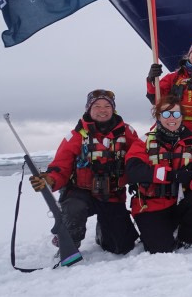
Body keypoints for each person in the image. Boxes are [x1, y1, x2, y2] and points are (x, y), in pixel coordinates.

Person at [29, 90, 139, 255]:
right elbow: (61, 166)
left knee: (122, 247)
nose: (102, 110)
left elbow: (139, 158)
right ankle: (68, 245)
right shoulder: (75, 136)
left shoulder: (127, 133)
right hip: (80, 193)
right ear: (88, 109)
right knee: (74, 209)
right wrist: (50, 180)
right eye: (97, 106)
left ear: (113, 109)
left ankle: (104, 232)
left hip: (112, 195)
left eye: (107, 106)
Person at [124, 97, 192, 253]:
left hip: (180, 202)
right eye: (166, 114)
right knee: (160, 249)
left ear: (182, 116)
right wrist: (172, 176)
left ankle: (187, 237)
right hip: (151, 206)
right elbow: (134, 171)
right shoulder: (144, 142)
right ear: (158, 116)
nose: (172, 118)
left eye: (176, 114)